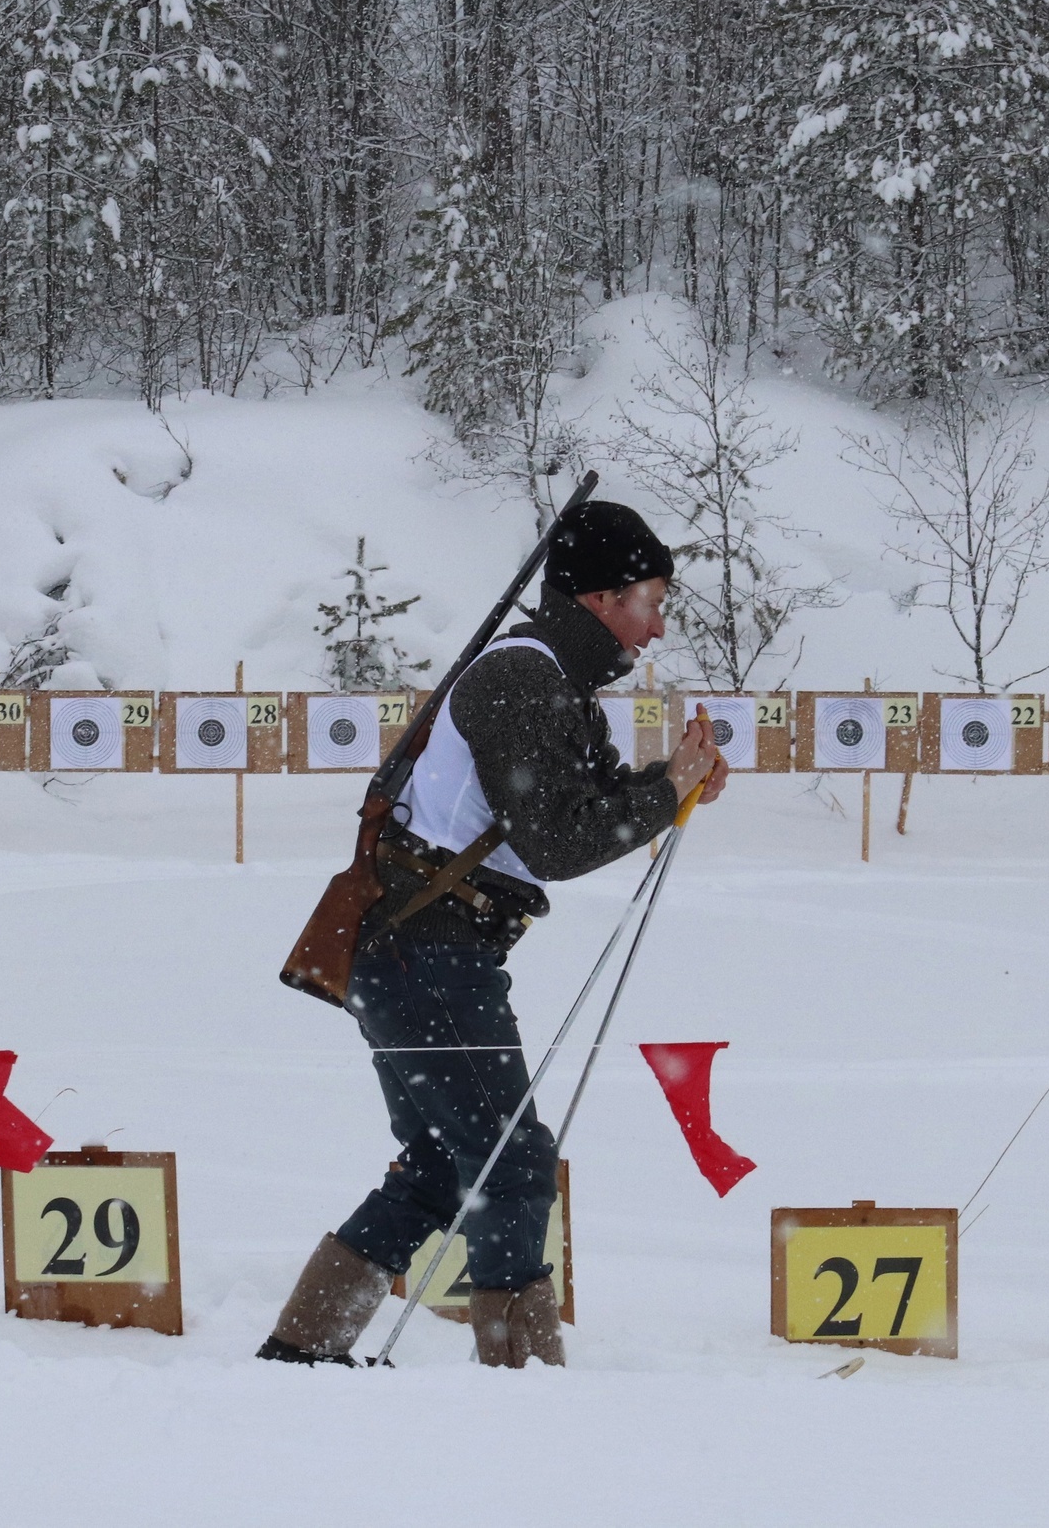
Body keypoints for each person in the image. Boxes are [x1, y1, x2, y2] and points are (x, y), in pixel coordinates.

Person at [257, 500, 728, 1369]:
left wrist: (672, 780)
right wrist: (666, 796)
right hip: (427, 954)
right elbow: (559, 842)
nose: (658, 626)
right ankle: (519, 1391)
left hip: (421, 953)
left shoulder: (554, 682)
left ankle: (300, 1355)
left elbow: (585, 808)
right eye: (650, 600)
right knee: (512, 1163)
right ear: (599, 597)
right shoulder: (522, 677)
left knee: (442, 1167)